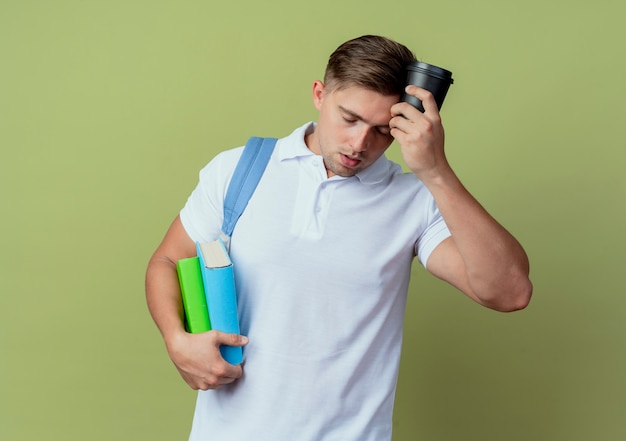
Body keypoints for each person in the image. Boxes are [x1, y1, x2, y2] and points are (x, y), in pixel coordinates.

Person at [145, 34, 532, 441]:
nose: (360, 144)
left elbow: (509, 292)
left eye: (383, 131)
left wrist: (436, 171)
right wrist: (176, 339)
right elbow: (167, 260)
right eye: (349, 118)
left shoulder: (415, 201)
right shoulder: (238, 169)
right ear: (319, 94)